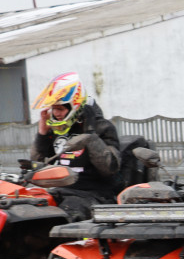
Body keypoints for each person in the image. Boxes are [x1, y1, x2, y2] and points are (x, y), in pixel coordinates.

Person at [30, 71, 120, 221]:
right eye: (54, 108)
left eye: (60, 109)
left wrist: (90, 138)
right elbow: (38, 165)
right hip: (61, 191)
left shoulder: (103, 128)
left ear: (74, 106)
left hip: (94, 194)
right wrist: (42, 134)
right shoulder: (56, 129)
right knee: (33, 211)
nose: (56, 113)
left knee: (67, 214)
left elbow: (110, 169)